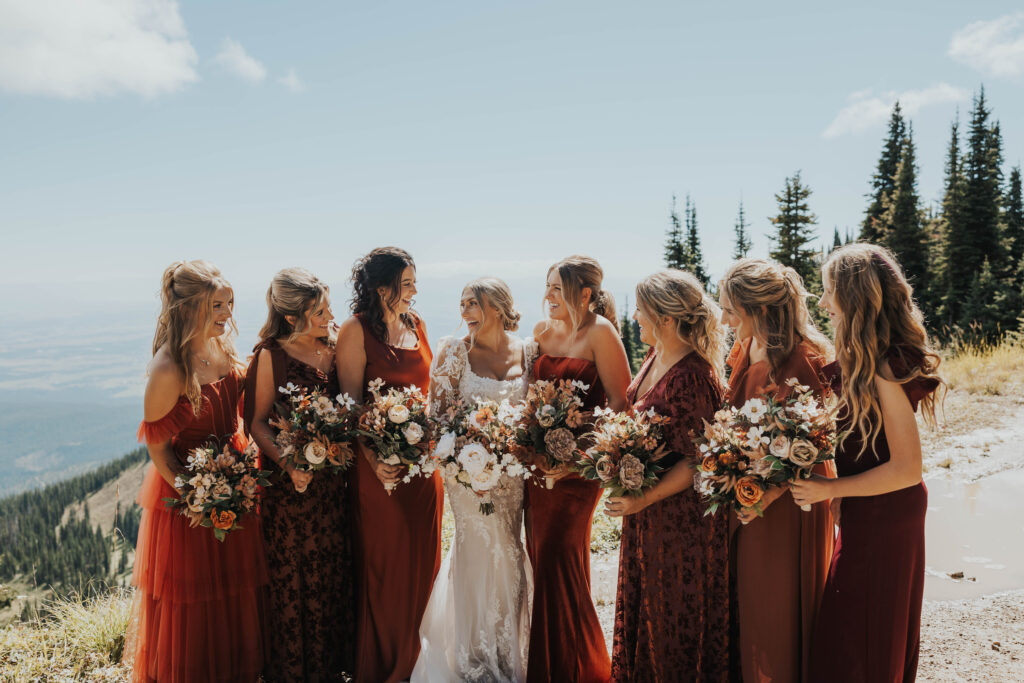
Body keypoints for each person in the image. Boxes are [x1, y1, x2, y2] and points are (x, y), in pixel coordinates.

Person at [791, 243, 942, 683]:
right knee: (854, 629)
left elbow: (908, 468)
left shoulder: (882, 366)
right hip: (864, 510)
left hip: (888, 514)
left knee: (866, 633)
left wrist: (829, 490)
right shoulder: (859, 362)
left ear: (853, 297)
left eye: (828, 292)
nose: (822, 303)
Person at [129, 260, 268, 682]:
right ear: (189, 308)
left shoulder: (223, 346)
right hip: (187, 495)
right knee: (195, 598)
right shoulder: (168, 368)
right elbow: (159, 450)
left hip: (235, 478)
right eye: (217, 306)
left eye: (229, 304)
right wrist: (200, 497)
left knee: (234, 588)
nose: (227, 314)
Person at [606, 269, 731, 683]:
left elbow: (698, 460)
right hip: (648, 512)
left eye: (642, 310)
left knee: (672, 615)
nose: (635, 317)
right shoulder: (655, 354)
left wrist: (643, 497)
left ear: (666, 318)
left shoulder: (693, 376)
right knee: (646, 609)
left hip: (680, 520)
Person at [719, 257, 836, 683]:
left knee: (777, 606)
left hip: (790, 499)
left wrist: (767, 492)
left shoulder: (803, 358)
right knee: (750, 601)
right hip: (750, 492)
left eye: (732, 309)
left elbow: (813, 439)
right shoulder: (744, 348)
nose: (726, 318)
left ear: (760, 310)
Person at [412, 278, 534, 682]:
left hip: (512, 479)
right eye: (461, 302)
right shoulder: (453, 352)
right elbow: (439, 419)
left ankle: (507, 652)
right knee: (479, 551)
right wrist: (466, 466)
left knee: (510, 552)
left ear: (498, 307)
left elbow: (531, 416)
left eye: (473, 302)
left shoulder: (528, 352)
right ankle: (473, 660)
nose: (464, 309)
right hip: (467, 478)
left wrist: (510, 452)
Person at [335, 247, 443, 683]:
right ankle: (387, 666)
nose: (416, 290)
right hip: (377, 472)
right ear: (383, 289)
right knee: (388, 569)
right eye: (408, 283)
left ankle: (421, 662)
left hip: (422, 471)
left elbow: (431, 393)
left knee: (425, 563)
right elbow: (350, 407)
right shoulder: (355, 331)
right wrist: (375, 460)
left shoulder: (417, 325)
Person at [244, 267, 354, 680]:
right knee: (295, 576)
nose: (329, 316)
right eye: (319, 310)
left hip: (333, 485)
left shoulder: (335, 347)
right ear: (292, 318)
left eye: (328, 307)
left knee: (333, 570)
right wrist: (290, 466)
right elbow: (255, 423)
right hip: (289, 490)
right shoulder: (271, 356)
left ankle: (333, 666)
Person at [525, 255, 631, 683]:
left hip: (578, 472)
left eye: (556, 288)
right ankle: (552, 664)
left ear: (584, 294)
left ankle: (576, 668)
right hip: (538, 468)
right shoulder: (541, 332)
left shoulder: (601, 333)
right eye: (547, 286)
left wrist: (577, 452)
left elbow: (621, 404)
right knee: (539, 558)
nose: (548, 296)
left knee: (559, 558)